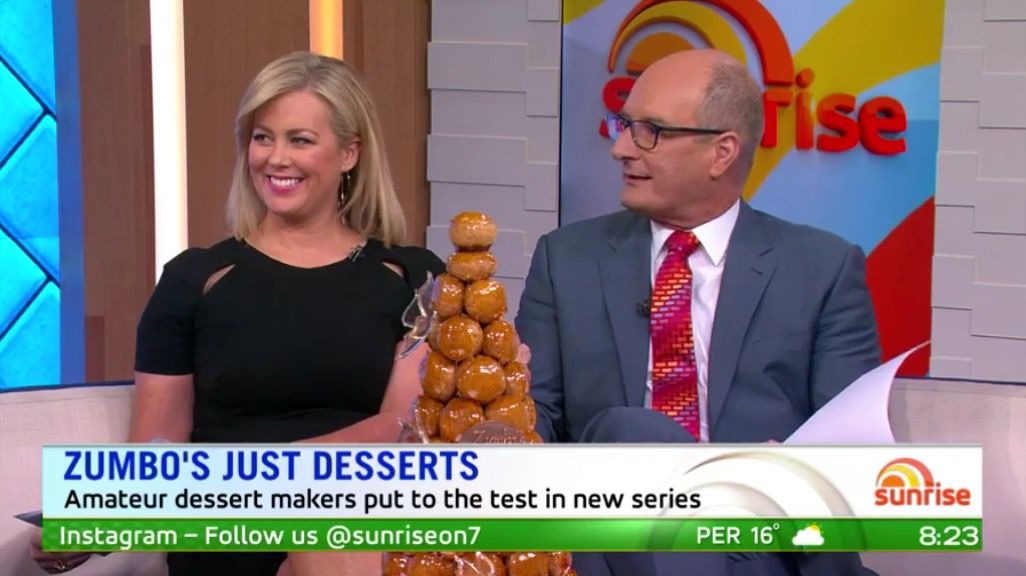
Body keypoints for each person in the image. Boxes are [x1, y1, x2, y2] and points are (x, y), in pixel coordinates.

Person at [31, 51, 443, 576]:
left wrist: (270, 476)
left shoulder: (413, 278)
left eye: (300, 140)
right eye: (262, 137)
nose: (276, 158)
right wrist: (88, 526)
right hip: (230, 538)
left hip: (357, 524)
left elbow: (405, 431)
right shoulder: (195, 280)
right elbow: (157, 452)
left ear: (349, 153)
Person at [515, 49, 881, 575]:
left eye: (651, 131)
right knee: (633, 434)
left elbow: (849, 455)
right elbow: (534, 424)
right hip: (607, 536)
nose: (621, 148)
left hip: (759, 544)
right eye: (624, 125)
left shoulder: (822, 268)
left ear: (722, 152)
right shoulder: (565, 259)